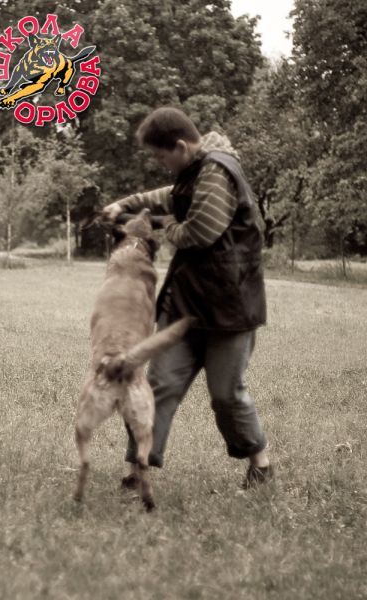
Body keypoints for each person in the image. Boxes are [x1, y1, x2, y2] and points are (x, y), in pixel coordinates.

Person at [102, 106, 273, 488]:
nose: (161, 165)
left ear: (180, 146)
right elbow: (171, 195)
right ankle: (137, 472)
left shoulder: (217, 171)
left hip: (230, 306)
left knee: (227, 395)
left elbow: (198, 233)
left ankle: (260, 464)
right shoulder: (194, 170)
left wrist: (161, 225)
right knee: (158, 387)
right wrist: (127, 204)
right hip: (185, 302)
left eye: (161, 157)